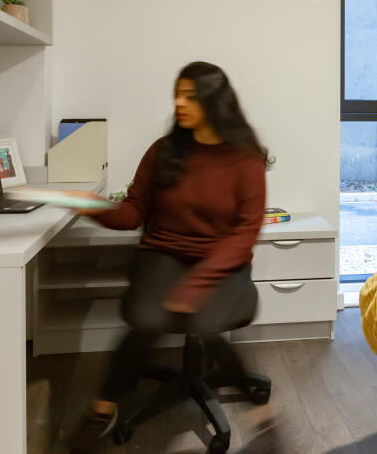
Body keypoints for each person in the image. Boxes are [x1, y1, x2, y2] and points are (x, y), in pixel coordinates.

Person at [68, 61, 281, 453]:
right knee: (145, 319)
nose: (179, 103)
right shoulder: (163, 152)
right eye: (178, 95)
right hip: (163, 253)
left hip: (221, 259)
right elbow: (133, 212)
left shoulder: (244, 159)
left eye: (191, 96)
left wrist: (197, 283)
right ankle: (102, 411)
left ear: (215, 102)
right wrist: (93, 206)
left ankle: (262, 420)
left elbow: (244, 233)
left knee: (210, 323)